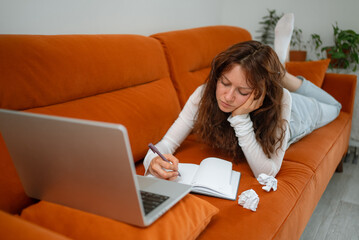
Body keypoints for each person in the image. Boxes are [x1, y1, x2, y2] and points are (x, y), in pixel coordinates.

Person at [143, 13, 341, 179]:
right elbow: (166, 143)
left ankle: (282, 75)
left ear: (260, 91)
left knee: (335, 107)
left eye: (243, 91)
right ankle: (277, 70)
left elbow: (267, 171)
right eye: (224, 83)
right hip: (270, 91)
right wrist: (152, 161)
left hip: (297, 115)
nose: (227, 97)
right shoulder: (204, 93)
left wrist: (240, 118)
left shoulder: (282, 100)